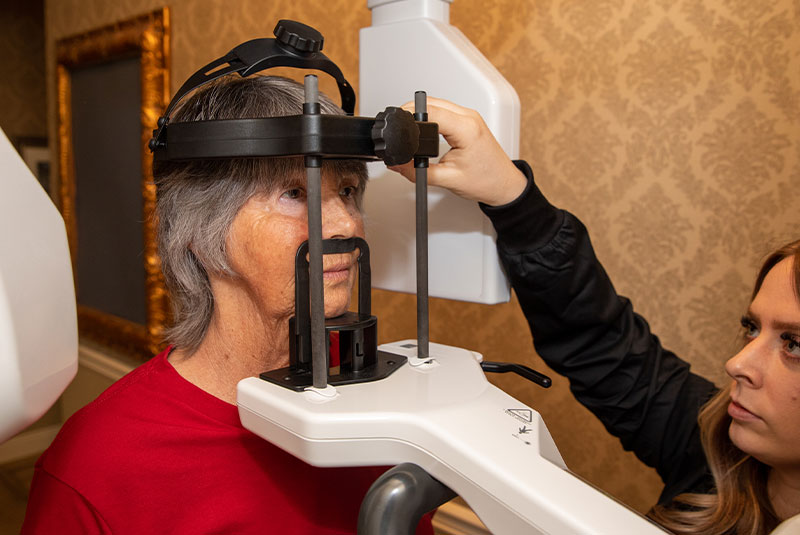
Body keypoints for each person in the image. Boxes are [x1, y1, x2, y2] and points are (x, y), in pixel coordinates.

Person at [21, 75, 433, 535]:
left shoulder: (386, 402)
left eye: (348, 191)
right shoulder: (95, 466)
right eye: (295, 193)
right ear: (200, 230)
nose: (344, 224)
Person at [391, 97, 800, 534]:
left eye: (794, 344)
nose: (738, 364)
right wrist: (511, 197)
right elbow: (601, 343)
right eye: (751, 328)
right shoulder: (713, 441)